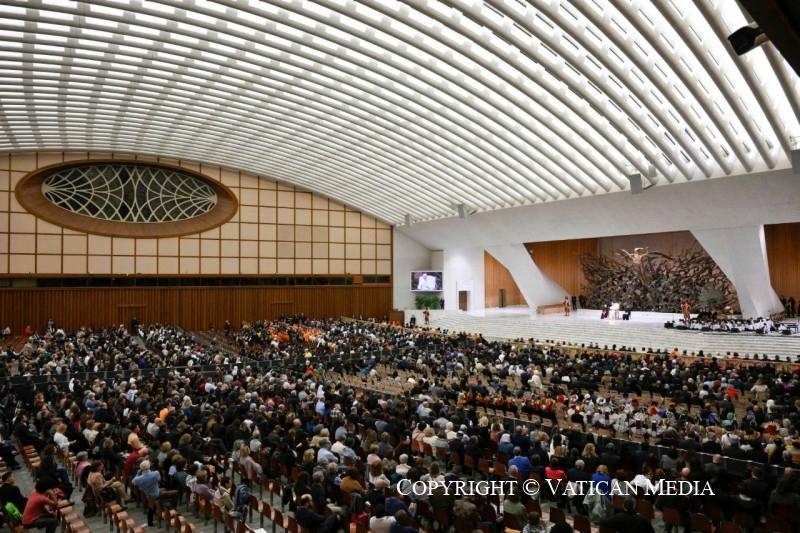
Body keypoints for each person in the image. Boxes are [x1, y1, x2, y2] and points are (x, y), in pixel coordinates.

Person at [131, 460, 179, 527]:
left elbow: (133, 482)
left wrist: (138, 473)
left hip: (148, 495)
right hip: (156, 494)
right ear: (149, 466)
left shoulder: (138, 479)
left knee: (164, 489)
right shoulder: (155, 473)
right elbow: (159, 479)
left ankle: (162, 507)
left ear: (141, 468)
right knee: (176, 492)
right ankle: (173, 508)